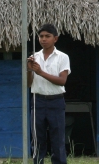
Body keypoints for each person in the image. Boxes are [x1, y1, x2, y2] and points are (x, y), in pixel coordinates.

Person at [27, 24, 71, 164]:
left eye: (47, 36)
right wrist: (29, 70)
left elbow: (62, 81)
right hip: (37, 100)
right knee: (37, 140)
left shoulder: (62, 57)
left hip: (56, 101)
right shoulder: (34, 57)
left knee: (57, 139)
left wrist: (40, 72)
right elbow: (29, 84)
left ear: (55, 38)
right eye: (41, 36)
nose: (43, 39)